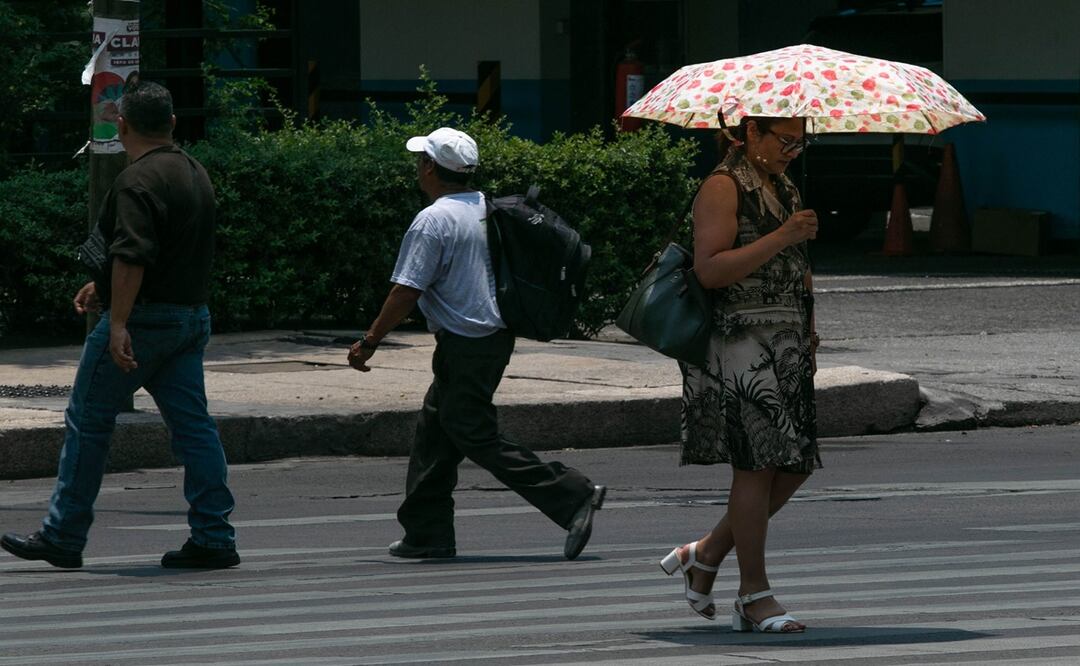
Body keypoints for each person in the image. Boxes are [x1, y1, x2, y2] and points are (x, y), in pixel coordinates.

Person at [1, 82, 239, 570]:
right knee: (194, 429)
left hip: (146, 319)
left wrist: (117, 322)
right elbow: (166, 251)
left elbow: (132, 254)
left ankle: (63, 535)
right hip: (189, 317)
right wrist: (105, 289)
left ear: (123, 126)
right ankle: (214, 535)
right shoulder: (194, 171)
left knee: (87, 421)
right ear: (172, 123)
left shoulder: (136, 181)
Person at [347, 127, 605, 560]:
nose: (417, 168)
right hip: (484, 339)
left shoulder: (434, 219)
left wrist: (370, 340)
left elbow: (406, 291)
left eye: (420, 161)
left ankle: (572, 493)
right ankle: (426, 533)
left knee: (474, 434)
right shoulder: (483, 207)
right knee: (435, 432)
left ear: (430, 167)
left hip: (469, 343)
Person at [659, 116, 820, 633]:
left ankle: (703, 554)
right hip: (740, 342)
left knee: (795, 464)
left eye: (802, 141)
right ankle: (754, 594)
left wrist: (811, 327)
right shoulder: (722, 187)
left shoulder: (783, 185)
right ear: (750, 133)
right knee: (757, 465)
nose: (794, 150)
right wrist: (783, 235)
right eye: (785, 140)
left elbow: (798, 266)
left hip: (788, 342)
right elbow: (711, 269)